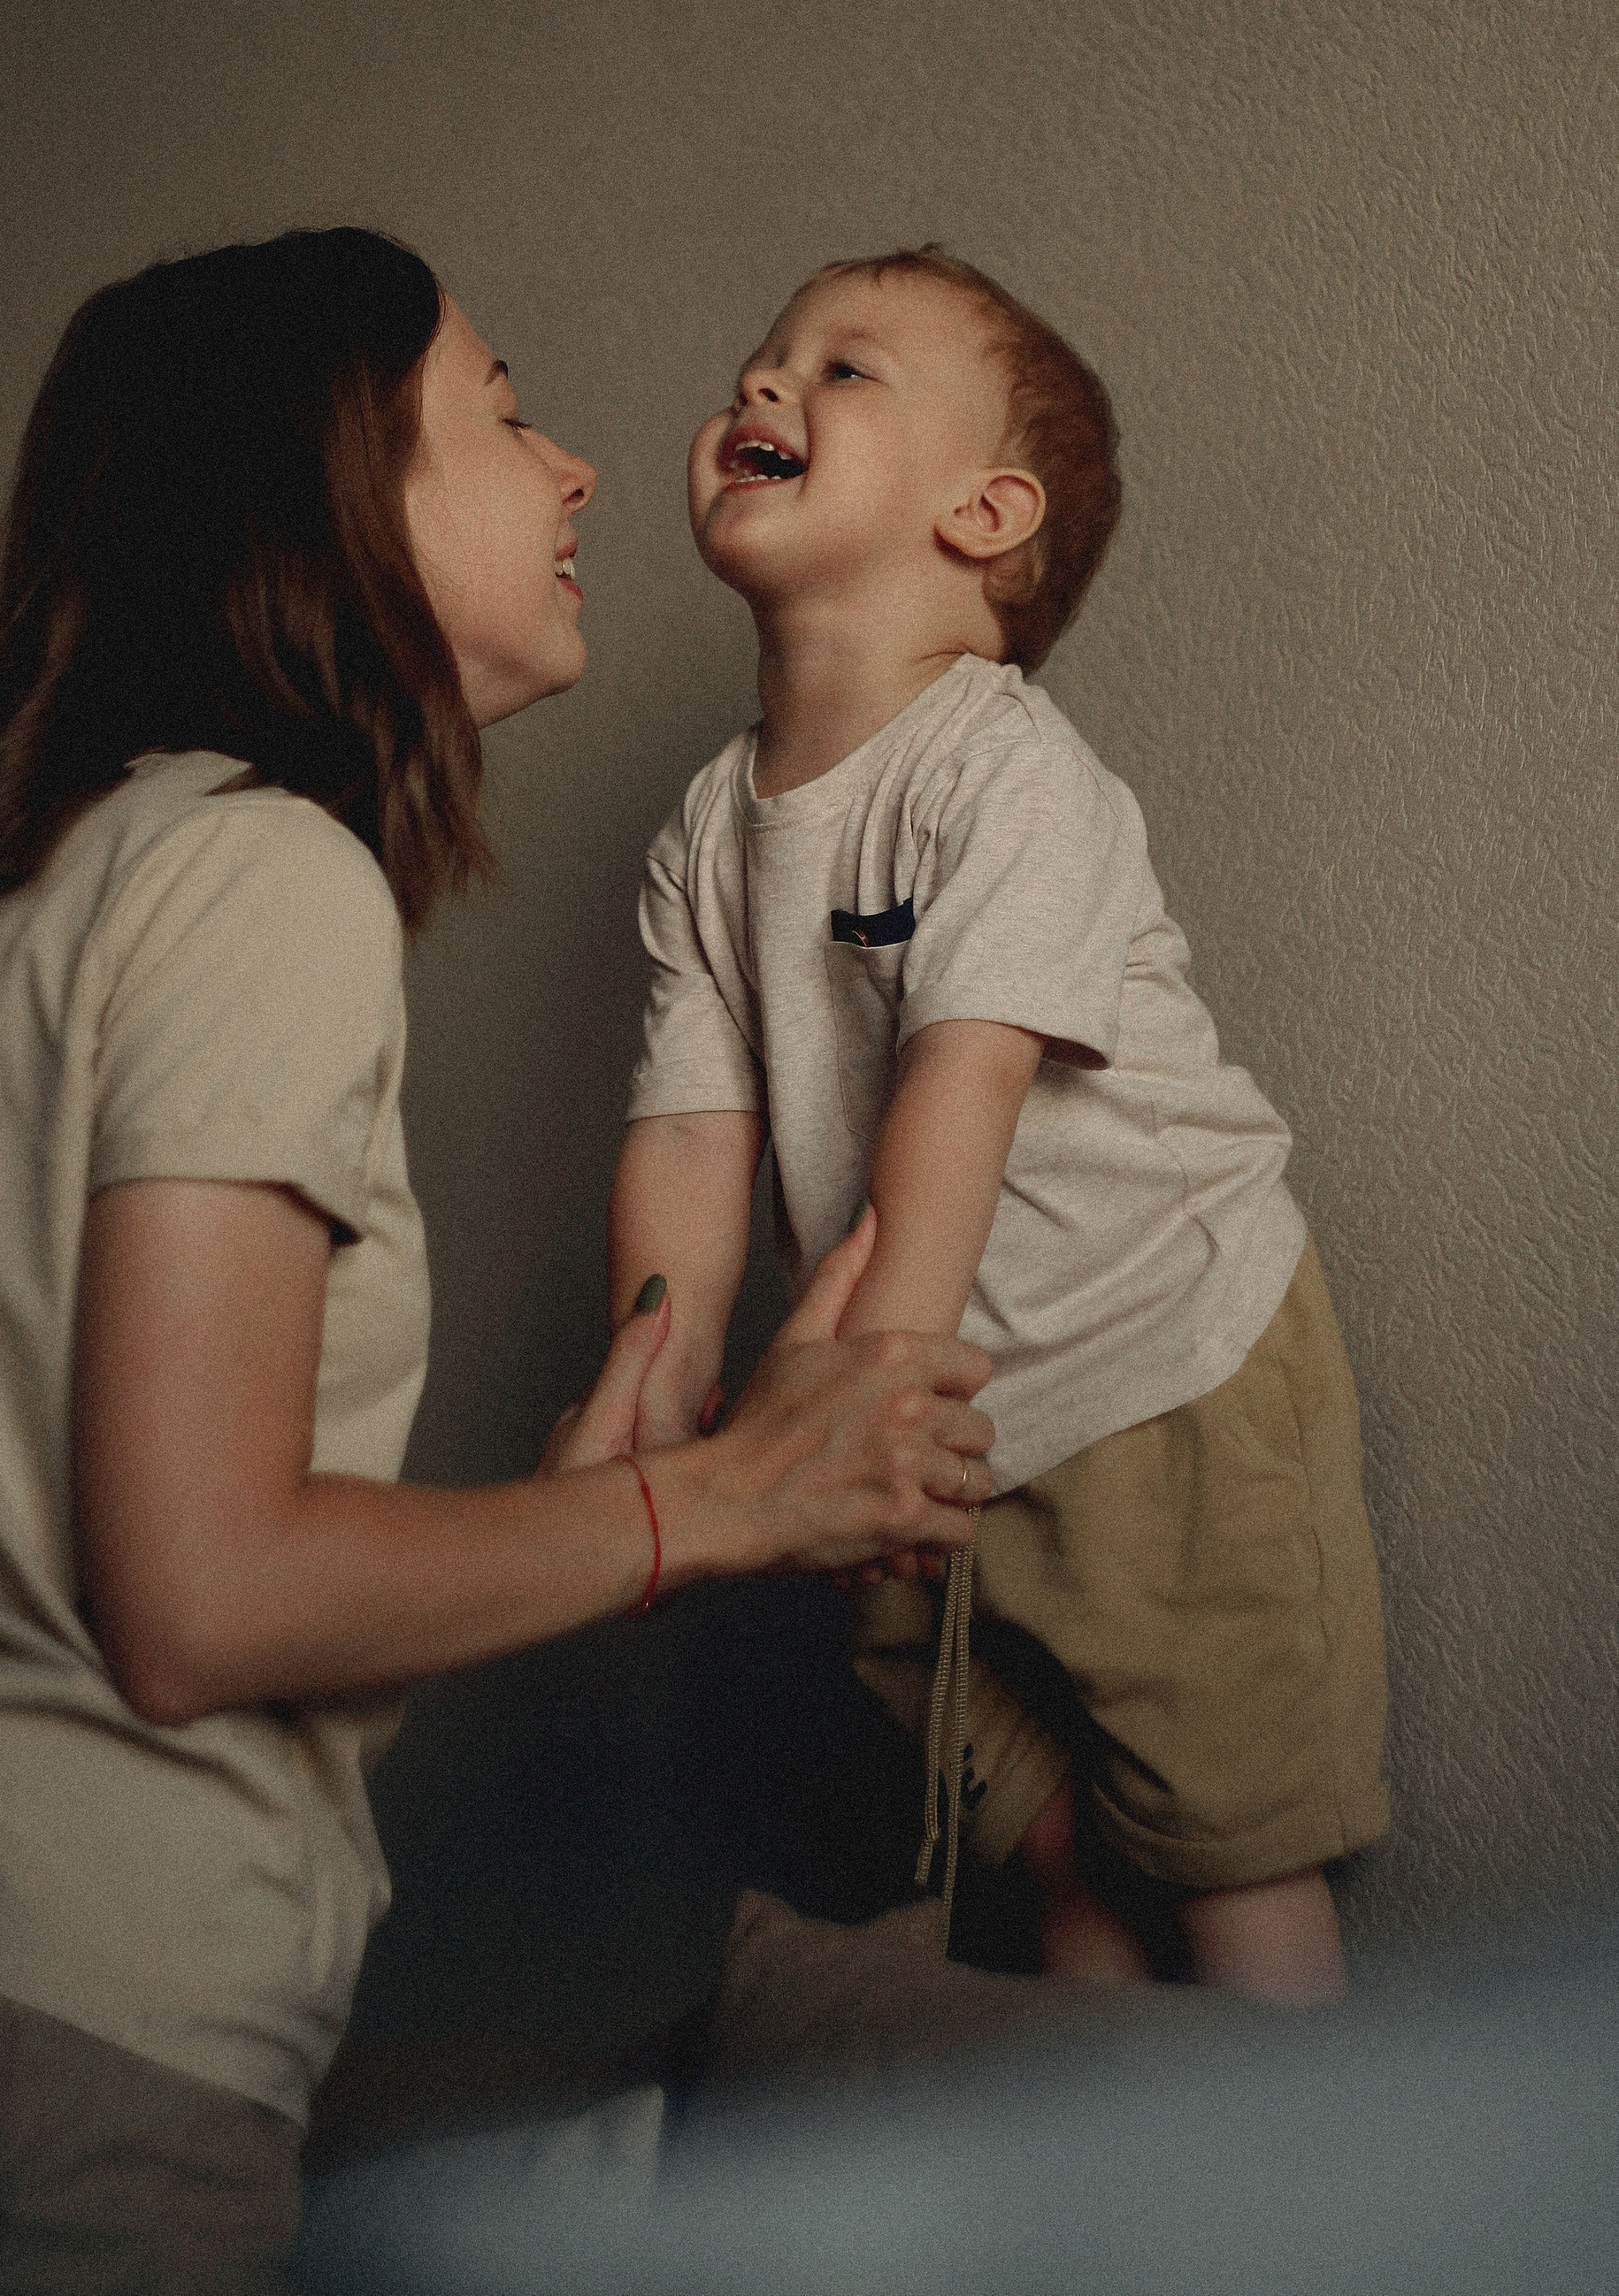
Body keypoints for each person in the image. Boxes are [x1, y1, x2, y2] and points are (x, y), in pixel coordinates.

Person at [0, 226, 995, 2294]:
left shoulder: (8, 908)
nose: (575, 469)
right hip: (29, 2052)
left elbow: (105, 1564)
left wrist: (580, 1523)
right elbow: (199, 1602)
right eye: (501, 413)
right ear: (339, 488)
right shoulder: (262, 875)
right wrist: (729, 1498)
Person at [608, 248, 1387, 2003]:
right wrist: (651, 1384)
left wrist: (869, 1390)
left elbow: (958, 1087)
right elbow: (690, 1137)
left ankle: (1318, 2153)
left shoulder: (1002, 772)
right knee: (1041, 1855)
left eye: (842, 368)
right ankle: (1099, 2162)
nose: (761, 383)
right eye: (761, 355)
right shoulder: (707, 830)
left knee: (1227, 1850)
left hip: (1148, 1368)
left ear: (984, 514)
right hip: (935, 1401)